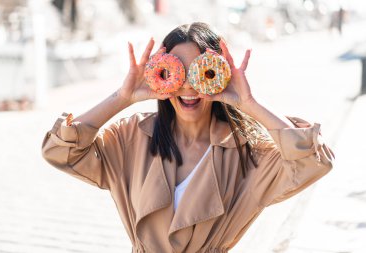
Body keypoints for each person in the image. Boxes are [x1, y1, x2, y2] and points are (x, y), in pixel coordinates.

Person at [42, 22, 335, 252]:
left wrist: (250, 103)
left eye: (202, 73)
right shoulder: (132, 137)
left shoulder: (248, 153)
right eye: (177, 73)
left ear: (221, 74)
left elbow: (312, 160)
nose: (189, 87)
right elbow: (61, 150)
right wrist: (122, 97)